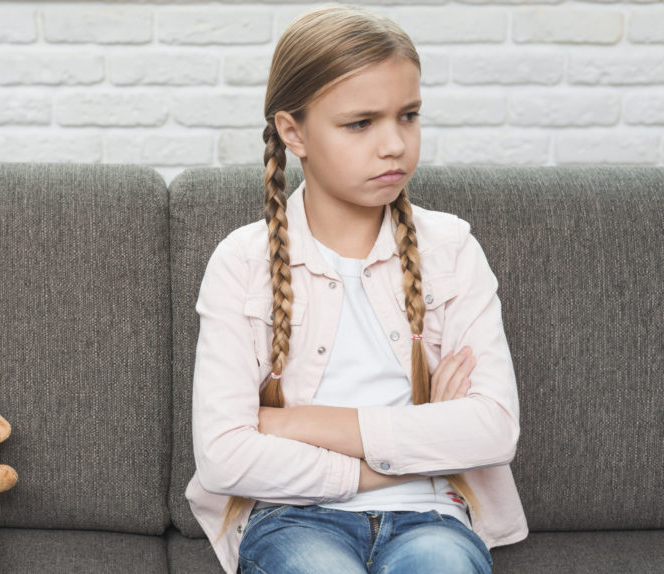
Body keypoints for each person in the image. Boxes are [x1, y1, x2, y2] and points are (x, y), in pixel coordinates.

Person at [185, 4, 528, 573]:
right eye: (360, 123)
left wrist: (300, 423)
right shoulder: (241, 262)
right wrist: (413, 452)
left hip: (434, 517)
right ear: (293, 131)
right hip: (292, 516)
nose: (394, 144)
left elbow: (493, 429)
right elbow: (223, 459)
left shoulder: (451, 248)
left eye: (409, 115)